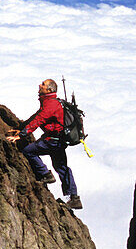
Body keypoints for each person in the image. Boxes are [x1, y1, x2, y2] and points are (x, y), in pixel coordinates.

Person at [8, 78, 82, 210]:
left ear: (49, 90)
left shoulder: (51, 104)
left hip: (52, 141)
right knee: (62, 167)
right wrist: (21, 128)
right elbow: (37, 116)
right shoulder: (49, 102)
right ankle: (74, 198)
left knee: (28, 151)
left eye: (42, 84)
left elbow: (39, 119)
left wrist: (22, 135)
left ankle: (45, 174)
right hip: (58, 141)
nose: (39, 85)